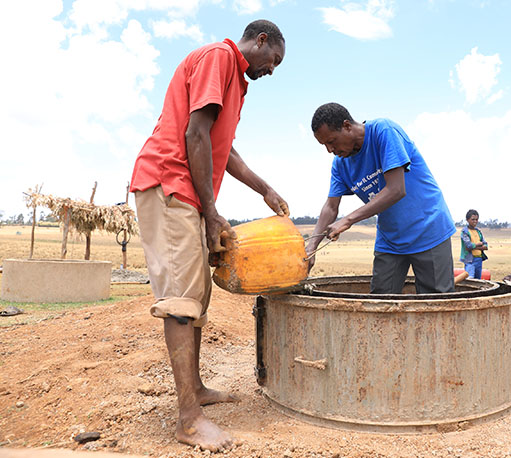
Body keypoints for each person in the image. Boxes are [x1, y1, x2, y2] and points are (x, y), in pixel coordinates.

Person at [129, 20, 288, 451]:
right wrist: (212, 211)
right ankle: (188, 420)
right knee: (181, 298)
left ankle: (194, 390)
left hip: (189, 194)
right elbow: (194, 133)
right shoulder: (219, 58)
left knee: (196, 297)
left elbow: (224, 148)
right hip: (169, 183)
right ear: (260, 41)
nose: (271, 70)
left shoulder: (236, 80)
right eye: (273, 60)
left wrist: (264, 189)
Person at [306, 103, 456, 294]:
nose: (330, 149)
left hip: (428, 230)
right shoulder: (340, 164)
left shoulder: (383, 131)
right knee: (380, 301)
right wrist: (312, 246)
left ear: (347, 126)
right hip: (390, 239)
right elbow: (331, 206)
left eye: (332, 141)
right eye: (325, 145)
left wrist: (347, 220)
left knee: (436, 304)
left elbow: (396, 189)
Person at [460, 209, 488, 279]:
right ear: (467, 219)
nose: (475, 221)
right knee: (470, 279)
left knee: (478, 280)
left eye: (476, 219)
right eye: (473, 219)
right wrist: (479, 244)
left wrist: (475, 246)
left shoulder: (478, 232)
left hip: (479, 259)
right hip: (470, 260)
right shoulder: (465, 232)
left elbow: (486, 246)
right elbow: (468, 245)